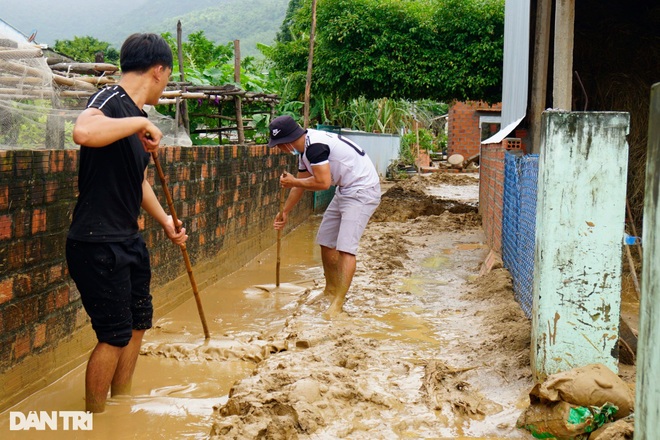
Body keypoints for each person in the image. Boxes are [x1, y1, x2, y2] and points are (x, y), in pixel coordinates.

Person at [66, 33, 188, 413]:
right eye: (167, 77)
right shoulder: (109, 101)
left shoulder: (137, 119)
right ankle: (96, 420)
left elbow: (137, 181)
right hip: (96, 241)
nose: (165, 84)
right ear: (158, 70)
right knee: (114, 335)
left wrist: (166, 220)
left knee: (137, 324)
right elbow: (83, 132)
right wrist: (138, 122)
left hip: (128, 239)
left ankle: (123, 406)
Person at [268, 115, 381, 318]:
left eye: (279, 145)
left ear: (287, 142)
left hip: (362, 190)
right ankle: (329, 290)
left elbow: (322, 183)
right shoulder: (304, 151)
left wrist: (294, 182)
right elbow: (302, 183)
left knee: (346, 248)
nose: (279, 149)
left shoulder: (315, 147)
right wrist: (285, 211)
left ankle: (338, 302)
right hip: (345, 189)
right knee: (326, 241)